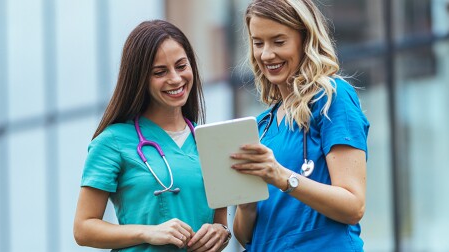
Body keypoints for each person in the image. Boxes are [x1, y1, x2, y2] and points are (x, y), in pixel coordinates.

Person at [73, 20, 231, 252]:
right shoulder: (113, 142)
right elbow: (83, 229)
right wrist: (148, 231)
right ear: (140, 79)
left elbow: (220, 222)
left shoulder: (210, 141)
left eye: (181, 66)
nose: (176, 79)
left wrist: (222, 233)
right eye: (160, 72)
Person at [230, 0, 370, 251]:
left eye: (279, 41)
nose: (266, 54)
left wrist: (282, 176)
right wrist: (246, 202)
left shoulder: (332, 98)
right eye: (258, 42)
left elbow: (353, 205)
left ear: (305, 39)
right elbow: (245, 236)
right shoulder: (261, 126)